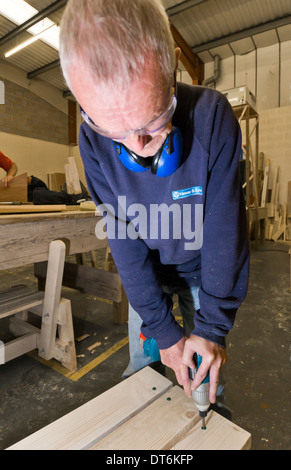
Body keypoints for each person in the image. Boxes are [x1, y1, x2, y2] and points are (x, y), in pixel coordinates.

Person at [59, 0, 250, 405]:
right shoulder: (92, 140)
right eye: (114, 130)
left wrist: (212, 327)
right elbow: (123, 238)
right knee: (141, 378)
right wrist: (162, 328)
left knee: (204, 385)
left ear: (173, 67)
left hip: (203, 272)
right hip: (147, 273)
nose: (137, 149)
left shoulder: (212, 117)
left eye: (151, 123)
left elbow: (224, 230)